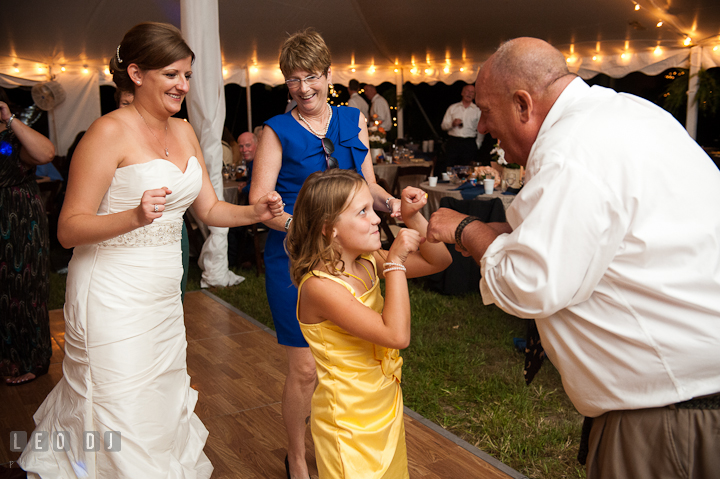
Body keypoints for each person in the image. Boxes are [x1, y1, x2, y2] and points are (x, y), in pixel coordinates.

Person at [426, 37, 720, 479]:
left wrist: (468, 228)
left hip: (668, 419)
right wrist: (499, 233)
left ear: (523, 104)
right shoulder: (624, 115)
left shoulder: (571, 152)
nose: (482, 127)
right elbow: (591, 238)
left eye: (486, 110)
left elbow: (529, 283)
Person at [17, 22, 284, 478]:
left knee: (155, 399)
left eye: (187, 75)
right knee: (117, 398)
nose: (183, 85)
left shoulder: (183, 132)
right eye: (172, 75)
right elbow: (67, 229)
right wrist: (134, 217)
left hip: (162, 295)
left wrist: (255, 213)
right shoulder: (107, 133)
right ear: (136, 73)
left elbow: (211, 209)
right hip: (110, 292)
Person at [249, 28, 400, 479]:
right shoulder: (275, 131)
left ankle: (341, 438)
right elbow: (262, 202)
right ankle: (297, 457)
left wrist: (392, 204)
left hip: (349, 259)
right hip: (295, 260)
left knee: (346, 356)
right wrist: (304, 229)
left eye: (311, 76)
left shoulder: (352, 120)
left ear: (328, 74)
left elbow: (368, 185)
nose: (303, 88)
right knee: (305, 367)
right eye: (293, 80)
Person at [286, 169, 451, 478]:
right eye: (362, 212)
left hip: (384, 406)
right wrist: (395, 263)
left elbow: (438, 262)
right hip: (348, 421)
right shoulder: (321, 287)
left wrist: (414, 217)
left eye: (371, 208)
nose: (376, 218)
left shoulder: (367, 260)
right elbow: (396, 335)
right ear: (329, 229)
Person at [0, 93, 56, 386]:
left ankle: (32, 360)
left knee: (24, 289)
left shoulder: (12, 137)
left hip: (20, 223)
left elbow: (46, 153)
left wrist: (9, 119)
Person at [437, 83, 482, 174]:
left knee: (466, 170)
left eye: (472, 92)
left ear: (474, 96)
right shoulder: (453, 108)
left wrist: (477, 144)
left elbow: (481, 130)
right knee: (449, 168)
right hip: (453, 142)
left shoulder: (477, 110)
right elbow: (443, 126)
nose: (469, 94)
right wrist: (452, 124)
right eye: (467, 91)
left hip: (469, 143)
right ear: (462, 93)